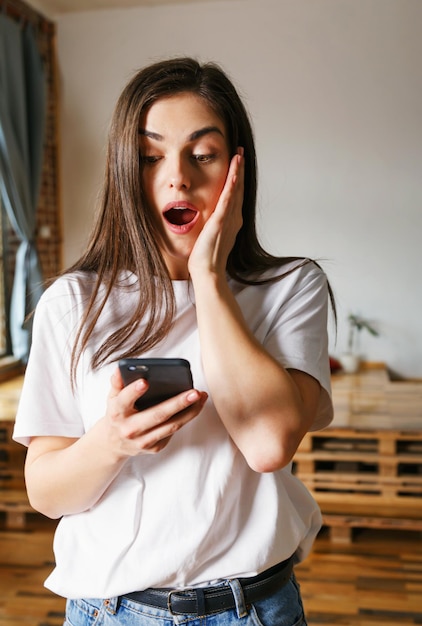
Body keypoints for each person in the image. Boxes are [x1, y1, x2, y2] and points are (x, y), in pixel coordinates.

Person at [14, 57, 334, 626]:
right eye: (150, 156)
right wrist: (112, 441)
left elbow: (267, 445)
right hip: (109, 611)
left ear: (237, 168)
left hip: (252, 610)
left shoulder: (291, 287)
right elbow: (47, 492)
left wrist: (208, 277)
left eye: (203, 154)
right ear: (122, 169)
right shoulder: (72, 302)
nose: (177, 177)